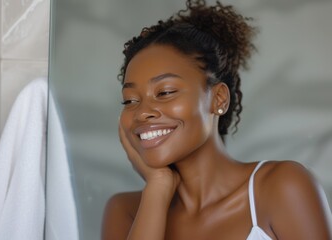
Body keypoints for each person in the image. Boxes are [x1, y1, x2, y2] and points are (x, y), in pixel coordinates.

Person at [102, 1, 332, 239]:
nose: (141, 112)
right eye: (130, 100)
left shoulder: (281, 187)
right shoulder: (125, 211)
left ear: (218, 99)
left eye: (165, 92)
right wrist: (157, 188)